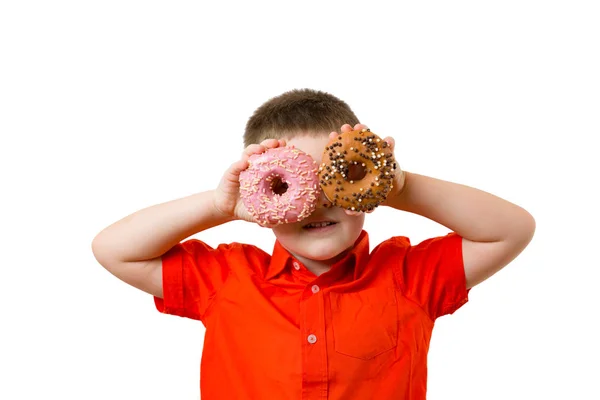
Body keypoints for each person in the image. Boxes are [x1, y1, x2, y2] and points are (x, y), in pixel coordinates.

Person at [92, 88, 535, 399]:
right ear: (257, 194)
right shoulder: (225, 280)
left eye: (337, 181)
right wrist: (220, 205)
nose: (318, 204)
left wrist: (398, 184)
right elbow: (114, 248)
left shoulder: (409, 278)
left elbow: (511, 229)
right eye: (288, 187)